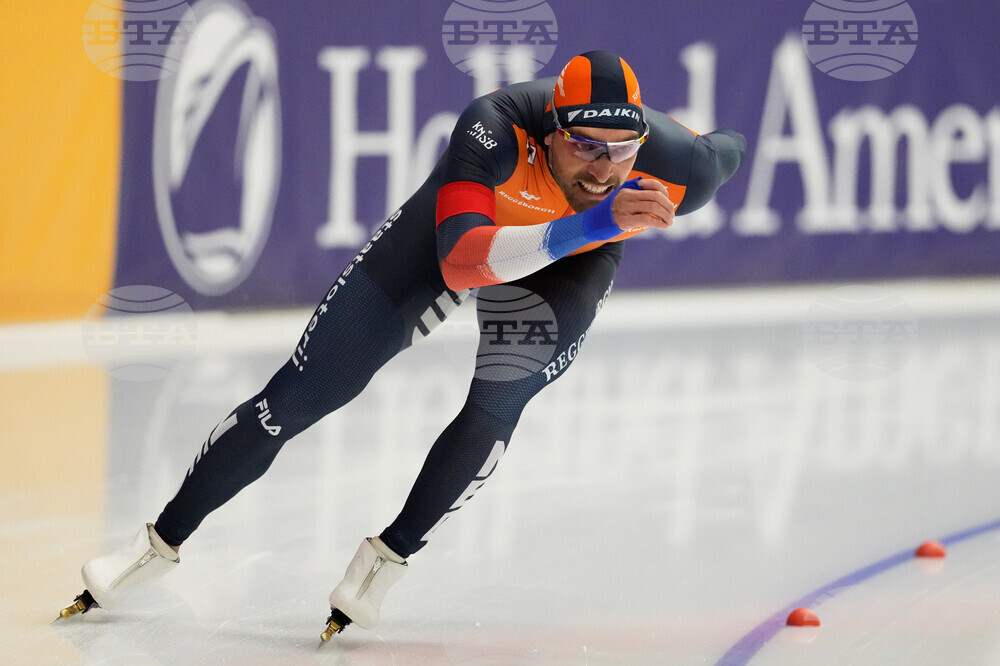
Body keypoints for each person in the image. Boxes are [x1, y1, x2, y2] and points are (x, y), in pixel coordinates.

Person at [60, 50, 747, 640]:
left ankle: (384, 563)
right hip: (461, 238)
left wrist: (611, 208)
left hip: (574, 257)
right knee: (300, 395)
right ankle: (155, 546)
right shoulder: (495, 126)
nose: (602, 168)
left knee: (499, 399)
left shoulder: (677, 168)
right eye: (584, 147)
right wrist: (596, 219)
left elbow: (729, 146)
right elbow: (461, 264)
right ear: (549, 132)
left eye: (619, 151)